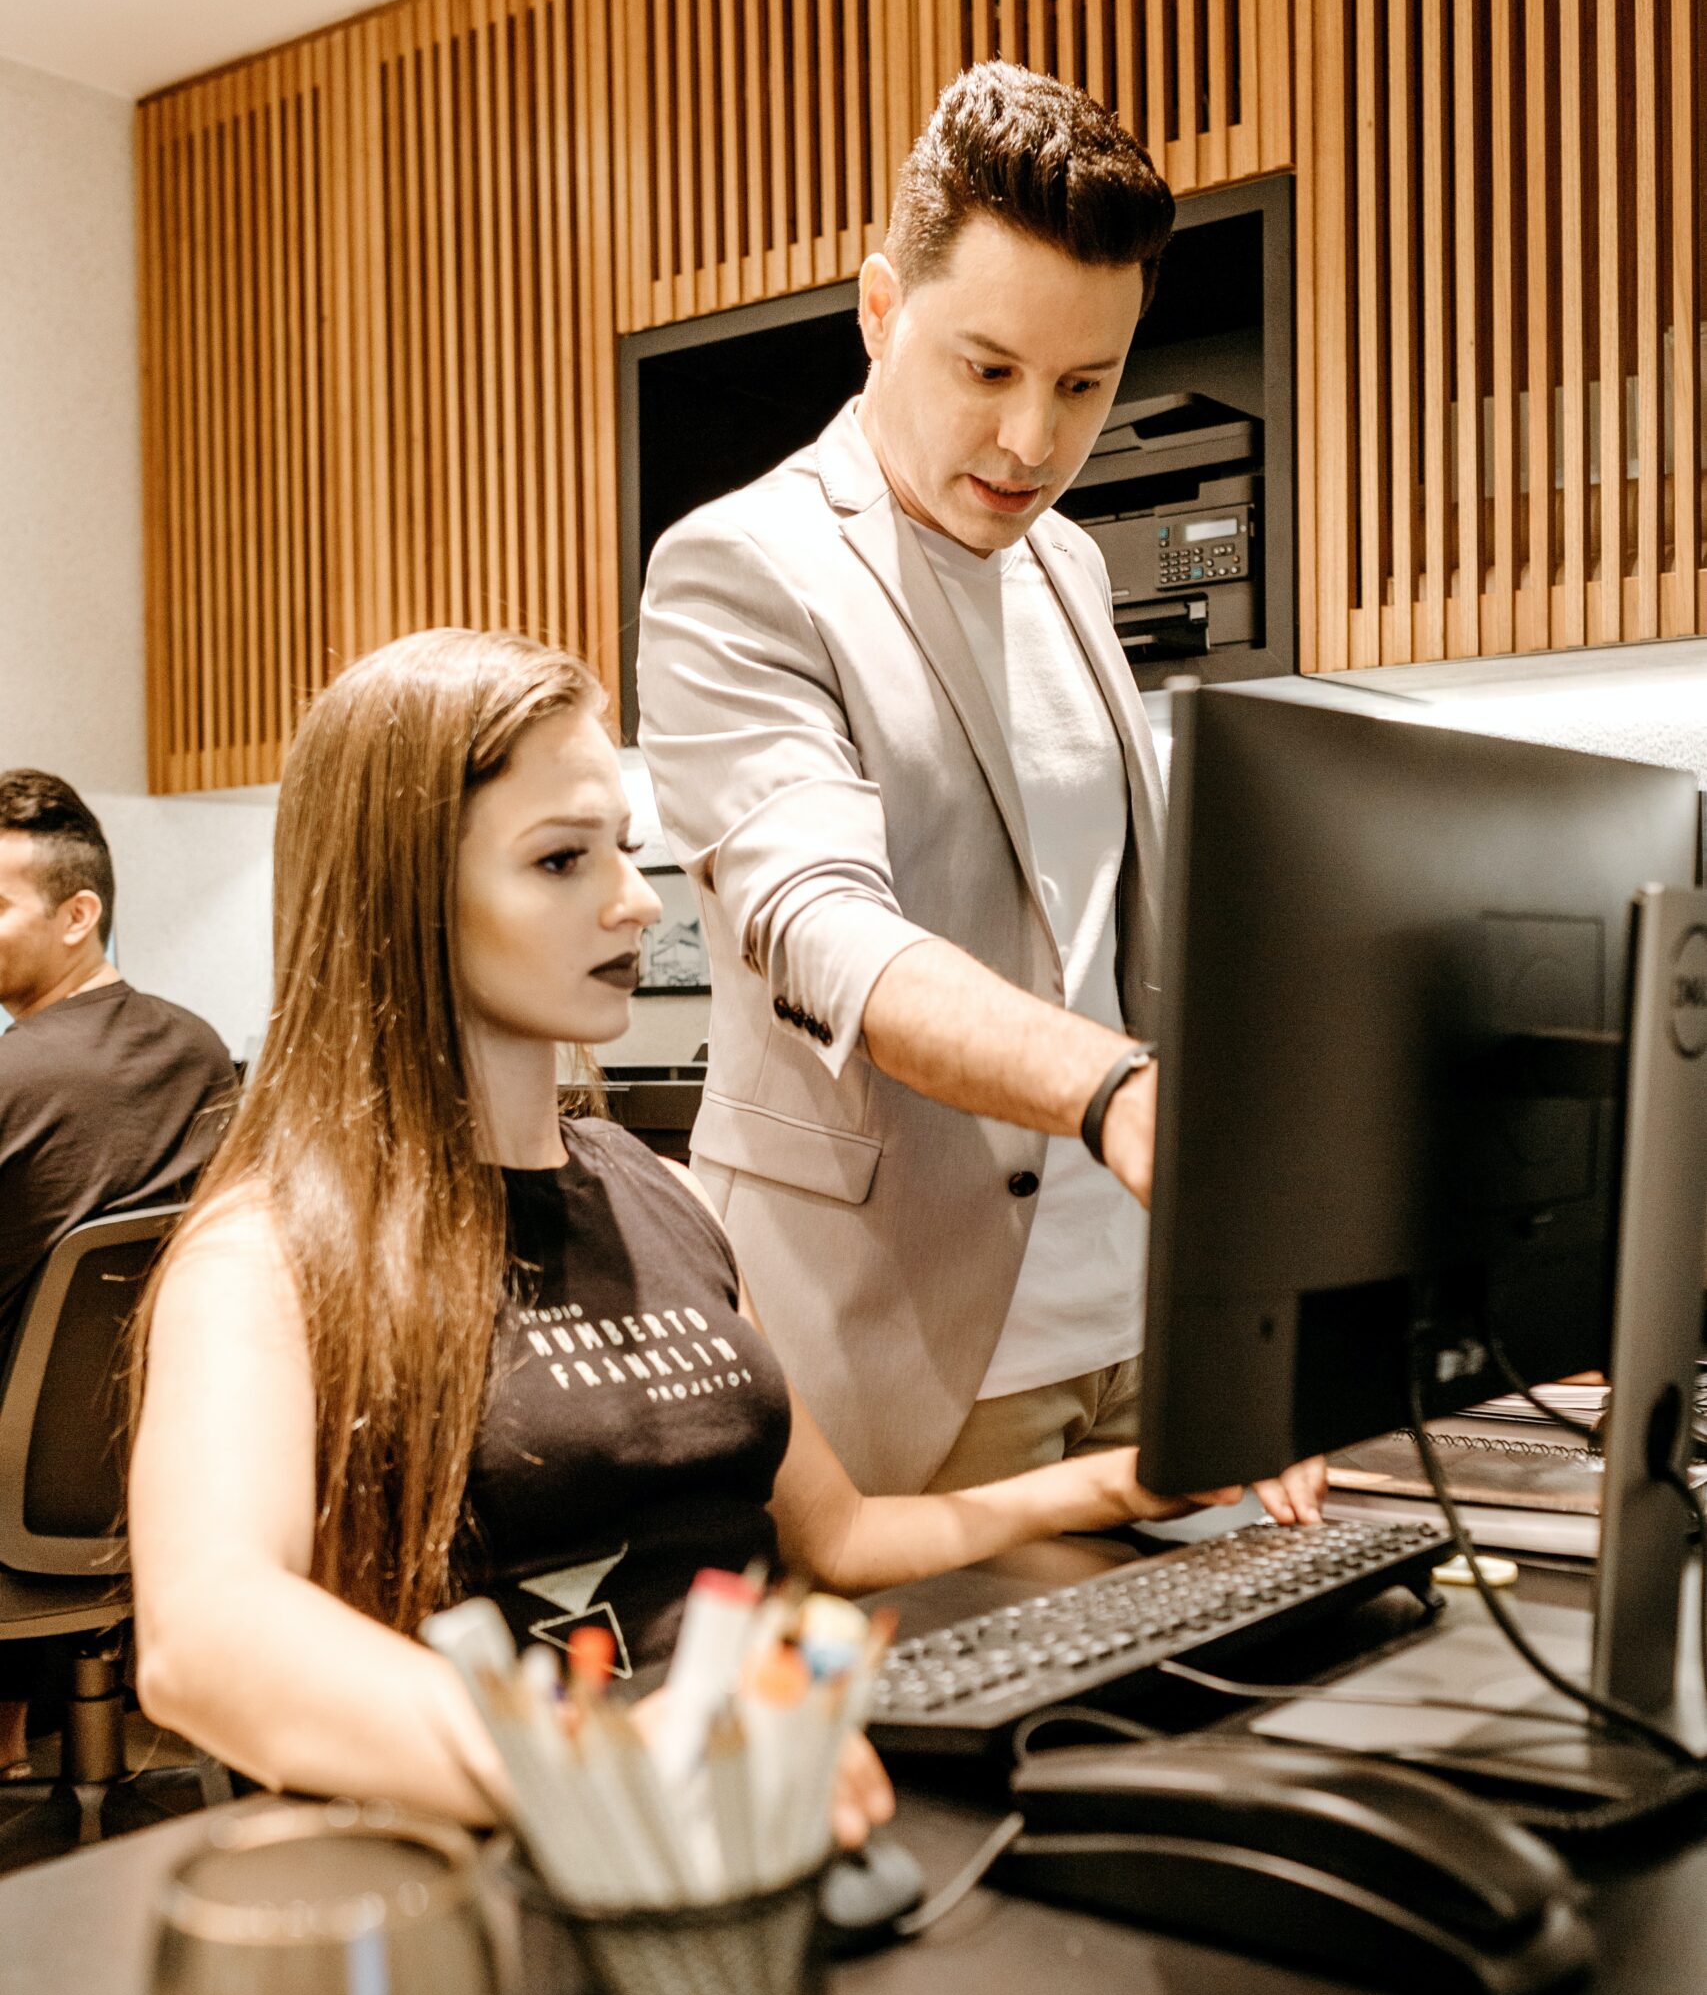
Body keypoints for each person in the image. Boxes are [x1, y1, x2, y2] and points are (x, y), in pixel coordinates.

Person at [129, 630, 1274, 1837]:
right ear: (402, 892)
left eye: (622, 849)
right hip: (512, 1870)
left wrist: (1126, 1483)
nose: (634, 899)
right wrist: (603, 1761)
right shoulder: (266, 1252)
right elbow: (205, 1636)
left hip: (755, 1816)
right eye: (561, 859)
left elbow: (842, 1537)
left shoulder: (659, 1190)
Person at [639, 63, 1326, 1521]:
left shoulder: (1066, 562)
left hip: (1136, 1318)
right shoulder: (740, 568)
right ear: (881, 309)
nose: (1032, 441)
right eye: (986, 367)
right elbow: (820, 926)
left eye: (1085, 384)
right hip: (908, 1352)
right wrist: (1109, 1089)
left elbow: (1112, 935)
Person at [0, 770, 233, 1779]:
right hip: (171, 1471)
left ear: (78, 914)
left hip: (18, 1495)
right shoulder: (201, 1048)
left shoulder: (15, 1079)